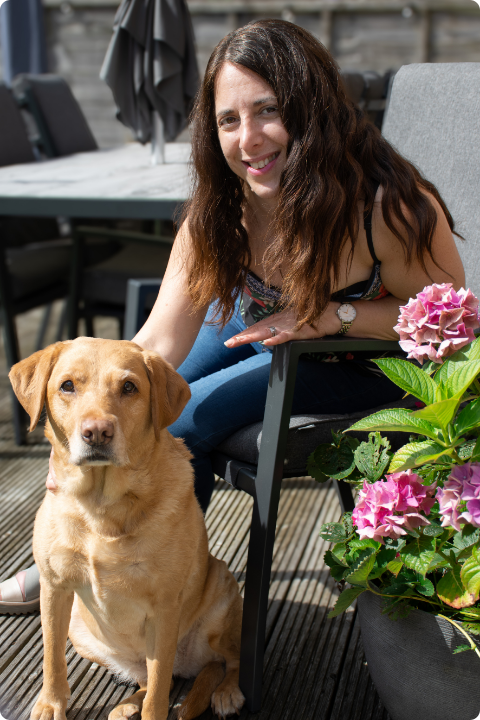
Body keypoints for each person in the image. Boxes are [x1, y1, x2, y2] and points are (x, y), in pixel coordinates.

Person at [0, 19, 465, 614]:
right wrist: (78, 422)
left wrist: (334, 313)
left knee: (181, 419)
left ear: (311, 108)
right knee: (144, 400)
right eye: (228, 120)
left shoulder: (387, 209)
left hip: (362, 358)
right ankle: (78, 560)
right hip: (262, 328)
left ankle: (156, 596)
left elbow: (454, 329)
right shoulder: (218, 213)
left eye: (267, 110)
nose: (248, 140)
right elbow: (155, 345)